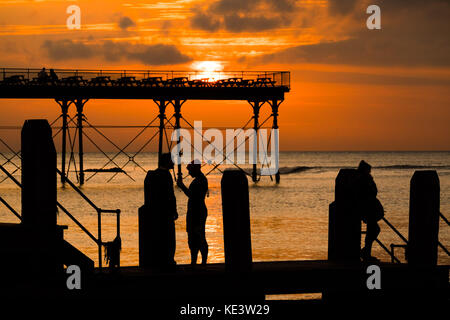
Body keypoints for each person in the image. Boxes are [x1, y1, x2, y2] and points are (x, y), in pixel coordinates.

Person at [142, 153, 178, 270]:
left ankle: (158, 261)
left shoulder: (151, 175)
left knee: (158, 238)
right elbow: (170, 195)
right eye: (172, 161)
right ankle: (168, 261)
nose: (174, 163)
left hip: (154, 213)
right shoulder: (166, 176)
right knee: (169, 238)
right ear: (167, 162)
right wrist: (174, 210)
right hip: (166, 214)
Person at [177, 160, 209, 266]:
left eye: (190, 170)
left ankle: (202, 262)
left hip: (197, 211)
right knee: (193, 237)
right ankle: (194, 262)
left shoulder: (200, 181)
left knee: (198, 236)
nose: (189, 173)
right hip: (195, 211)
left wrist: (182, 186)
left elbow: (193, 196)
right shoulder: (200, 179)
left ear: (195, 169)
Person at [356, 160, 384, 262]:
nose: (370, 172)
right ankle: (366, 253)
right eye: (368, 170)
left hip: (370, 208)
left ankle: (366, 252)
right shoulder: (363, 179)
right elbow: (367, 193)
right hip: (368, 209)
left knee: (373, 230)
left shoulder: (365, 179)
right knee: (374, 230)